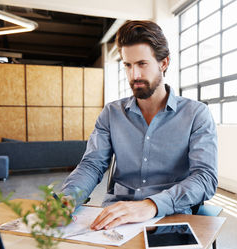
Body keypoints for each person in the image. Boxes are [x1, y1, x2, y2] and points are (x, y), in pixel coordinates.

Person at [61, 20, 217, 231]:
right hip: (116, 217)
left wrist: (151, 205)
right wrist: (68, 198)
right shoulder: (111, 113)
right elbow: (92, 165)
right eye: (128, 65)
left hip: (169, 218)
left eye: (142, 64)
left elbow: (205, 177)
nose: (134, 75)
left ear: (164, 63)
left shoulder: (196, 114)